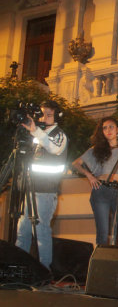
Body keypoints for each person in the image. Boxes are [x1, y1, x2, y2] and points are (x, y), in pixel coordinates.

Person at [16, 100, 67, 270]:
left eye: (49, 115)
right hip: (31, 189)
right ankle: (18, 267)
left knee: (41, 230)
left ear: (57, 116)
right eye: (43, 114)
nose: (44, 118)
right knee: (22, 229)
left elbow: (53, 149)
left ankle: (44, 269)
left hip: (46, 191)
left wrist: (36, 131)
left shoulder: (59, 135)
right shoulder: (38, 136)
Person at [72, 117, 118, 247]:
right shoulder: (96, 149)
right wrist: (89, 175)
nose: (108, 130)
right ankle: (100, 264)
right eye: (104, 128)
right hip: (101, 190)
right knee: (103, 233)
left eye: (111, 126)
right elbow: (75, 163)